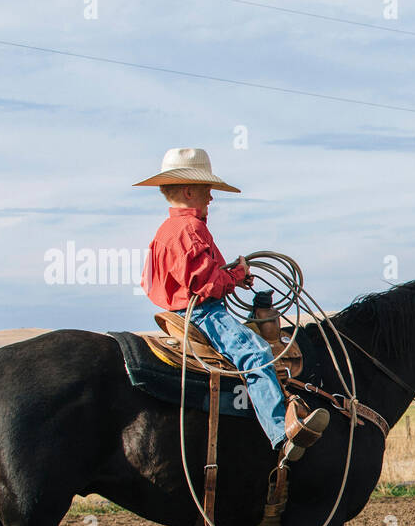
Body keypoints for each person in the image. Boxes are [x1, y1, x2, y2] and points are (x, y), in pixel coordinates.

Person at [134, 147, 328, 462]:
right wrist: (237, 274)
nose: (211, 198)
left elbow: (171, 279)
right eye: (207, 191)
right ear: (189, 190)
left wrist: (234, 277)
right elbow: (205, 285)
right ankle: (281, 432)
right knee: (256, 353)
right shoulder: (191, 229)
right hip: (202, 314)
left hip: (179, 312)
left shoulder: (164, 232)